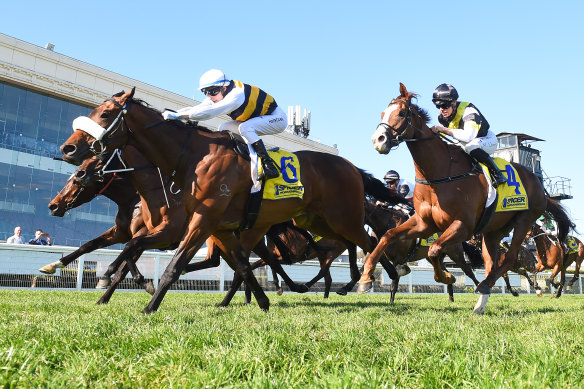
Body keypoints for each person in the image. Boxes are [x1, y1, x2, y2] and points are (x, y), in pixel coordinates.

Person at [161, 69, 287, 192]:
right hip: (257, 118)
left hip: (277, 119)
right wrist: (175, 113)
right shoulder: (218, 94)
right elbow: (198, 108)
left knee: (245, 128)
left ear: (224, 87)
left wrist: (179, 116)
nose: (210, 96)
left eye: (212, 92)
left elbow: (209, 113)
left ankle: (268, 164)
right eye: (206, 92)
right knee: (223, 128)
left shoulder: (236, 95)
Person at [430, 83, 507, 187]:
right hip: (467, 142)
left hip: (486, 139)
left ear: (454, 102)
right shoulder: (442, 117)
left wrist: (443, 130)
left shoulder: (469, 111)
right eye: (438, 106)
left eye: (444, 105)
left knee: (471, 147)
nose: (441, 109)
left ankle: (497, 173)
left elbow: (468, 137)